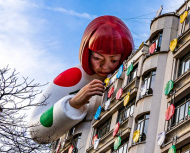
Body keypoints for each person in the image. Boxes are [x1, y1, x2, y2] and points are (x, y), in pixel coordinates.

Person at [27, 16, 134, 144]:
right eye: (98, 58)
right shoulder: (74, 76)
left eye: (113, 60)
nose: (105, 67)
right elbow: (35, 132)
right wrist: (73, 103)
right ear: (87, 53)